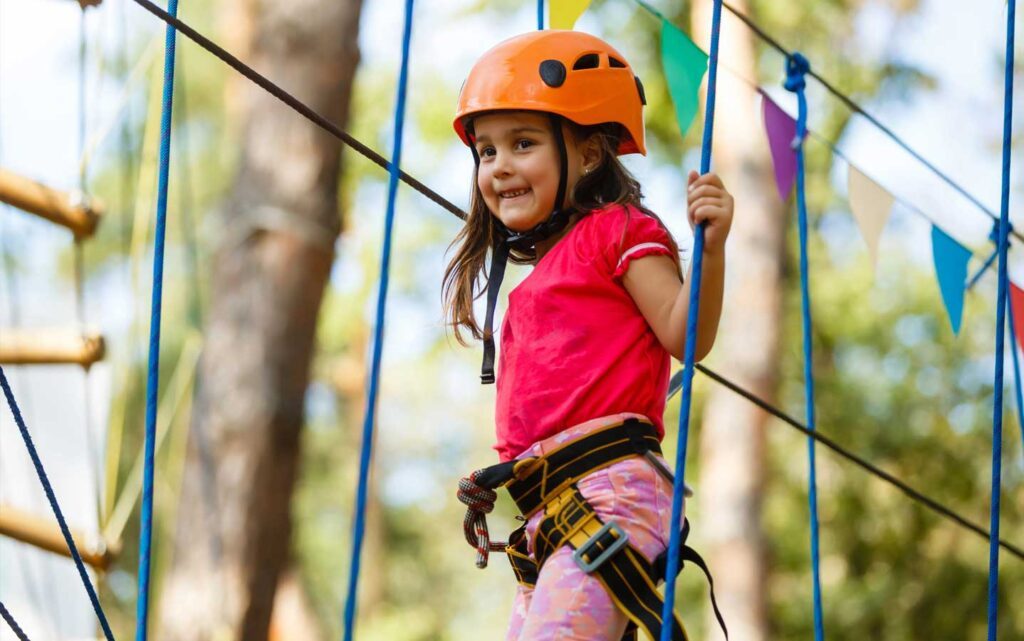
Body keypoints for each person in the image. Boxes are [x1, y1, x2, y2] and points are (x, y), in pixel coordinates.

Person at [445, 29, 733, 641]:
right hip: (546, 514)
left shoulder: (618, 232)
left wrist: (712, 248)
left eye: (522, 143)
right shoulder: (528, 288)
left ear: (591, 153)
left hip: (611, 494)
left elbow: (686, 334)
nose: (499, 168)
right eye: (486, 152)